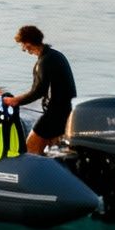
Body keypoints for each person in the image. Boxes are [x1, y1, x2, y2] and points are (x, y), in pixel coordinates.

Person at [9, 24, 76, 152]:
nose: (23, 49)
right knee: (53, 152)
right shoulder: (56, 55)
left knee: (30, 149)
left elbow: (38, 91)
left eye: (22, 44)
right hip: (66, 112)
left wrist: (15, 101)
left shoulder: (44, 62)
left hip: (54, 114)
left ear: (28, 43)